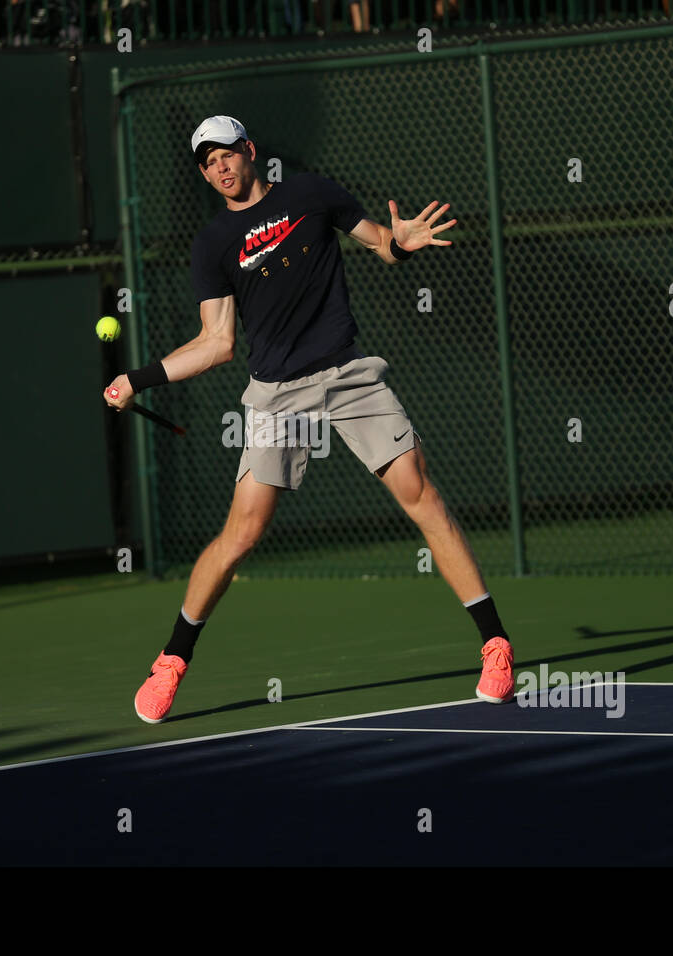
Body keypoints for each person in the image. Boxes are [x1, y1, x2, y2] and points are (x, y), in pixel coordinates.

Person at [105, 115, 515, 724]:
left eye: (226, 154)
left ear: (249, 152)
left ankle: (495, 645)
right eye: (206, 161)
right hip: (277, 396)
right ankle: (171, 660)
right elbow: (217, 342)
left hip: (348, 375)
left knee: (419, 493)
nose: (218, 167)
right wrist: (138, 378)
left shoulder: (311, 194)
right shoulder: (213, 243)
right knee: (243, 533)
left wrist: (400, 242)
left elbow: (382, 244)